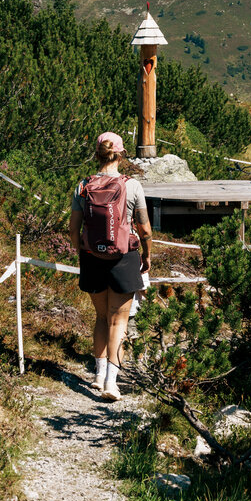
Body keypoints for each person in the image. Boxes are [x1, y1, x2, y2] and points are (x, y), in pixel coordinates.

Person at [69, 132, 152, 401]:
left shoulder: (83, 186)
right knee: (119, 321)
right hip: (124, 259)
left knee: (101, 317)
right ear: (121, 154)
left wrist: (83, 252)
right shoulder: (132, 186)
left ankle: (98, 374)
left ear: (97, 154)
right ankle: (111, 383)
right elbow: (145, 230)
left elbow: (73, 228)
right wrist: (147, 256)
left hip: (92, 257)